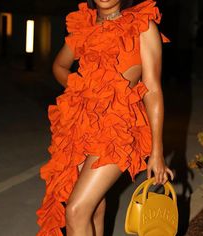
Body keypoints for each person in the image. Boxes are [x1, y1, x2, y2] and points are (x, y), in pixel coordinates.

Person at [36, 0, 175, 235]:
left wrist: (157, 151)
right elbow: (59, 65)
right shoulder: (84, 25)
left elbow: (152, 90)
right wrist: (79, 87)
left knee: (76, 211)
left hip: (118, 128)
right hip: (83, 125)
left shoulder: (141, 25)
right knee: (95, 208)